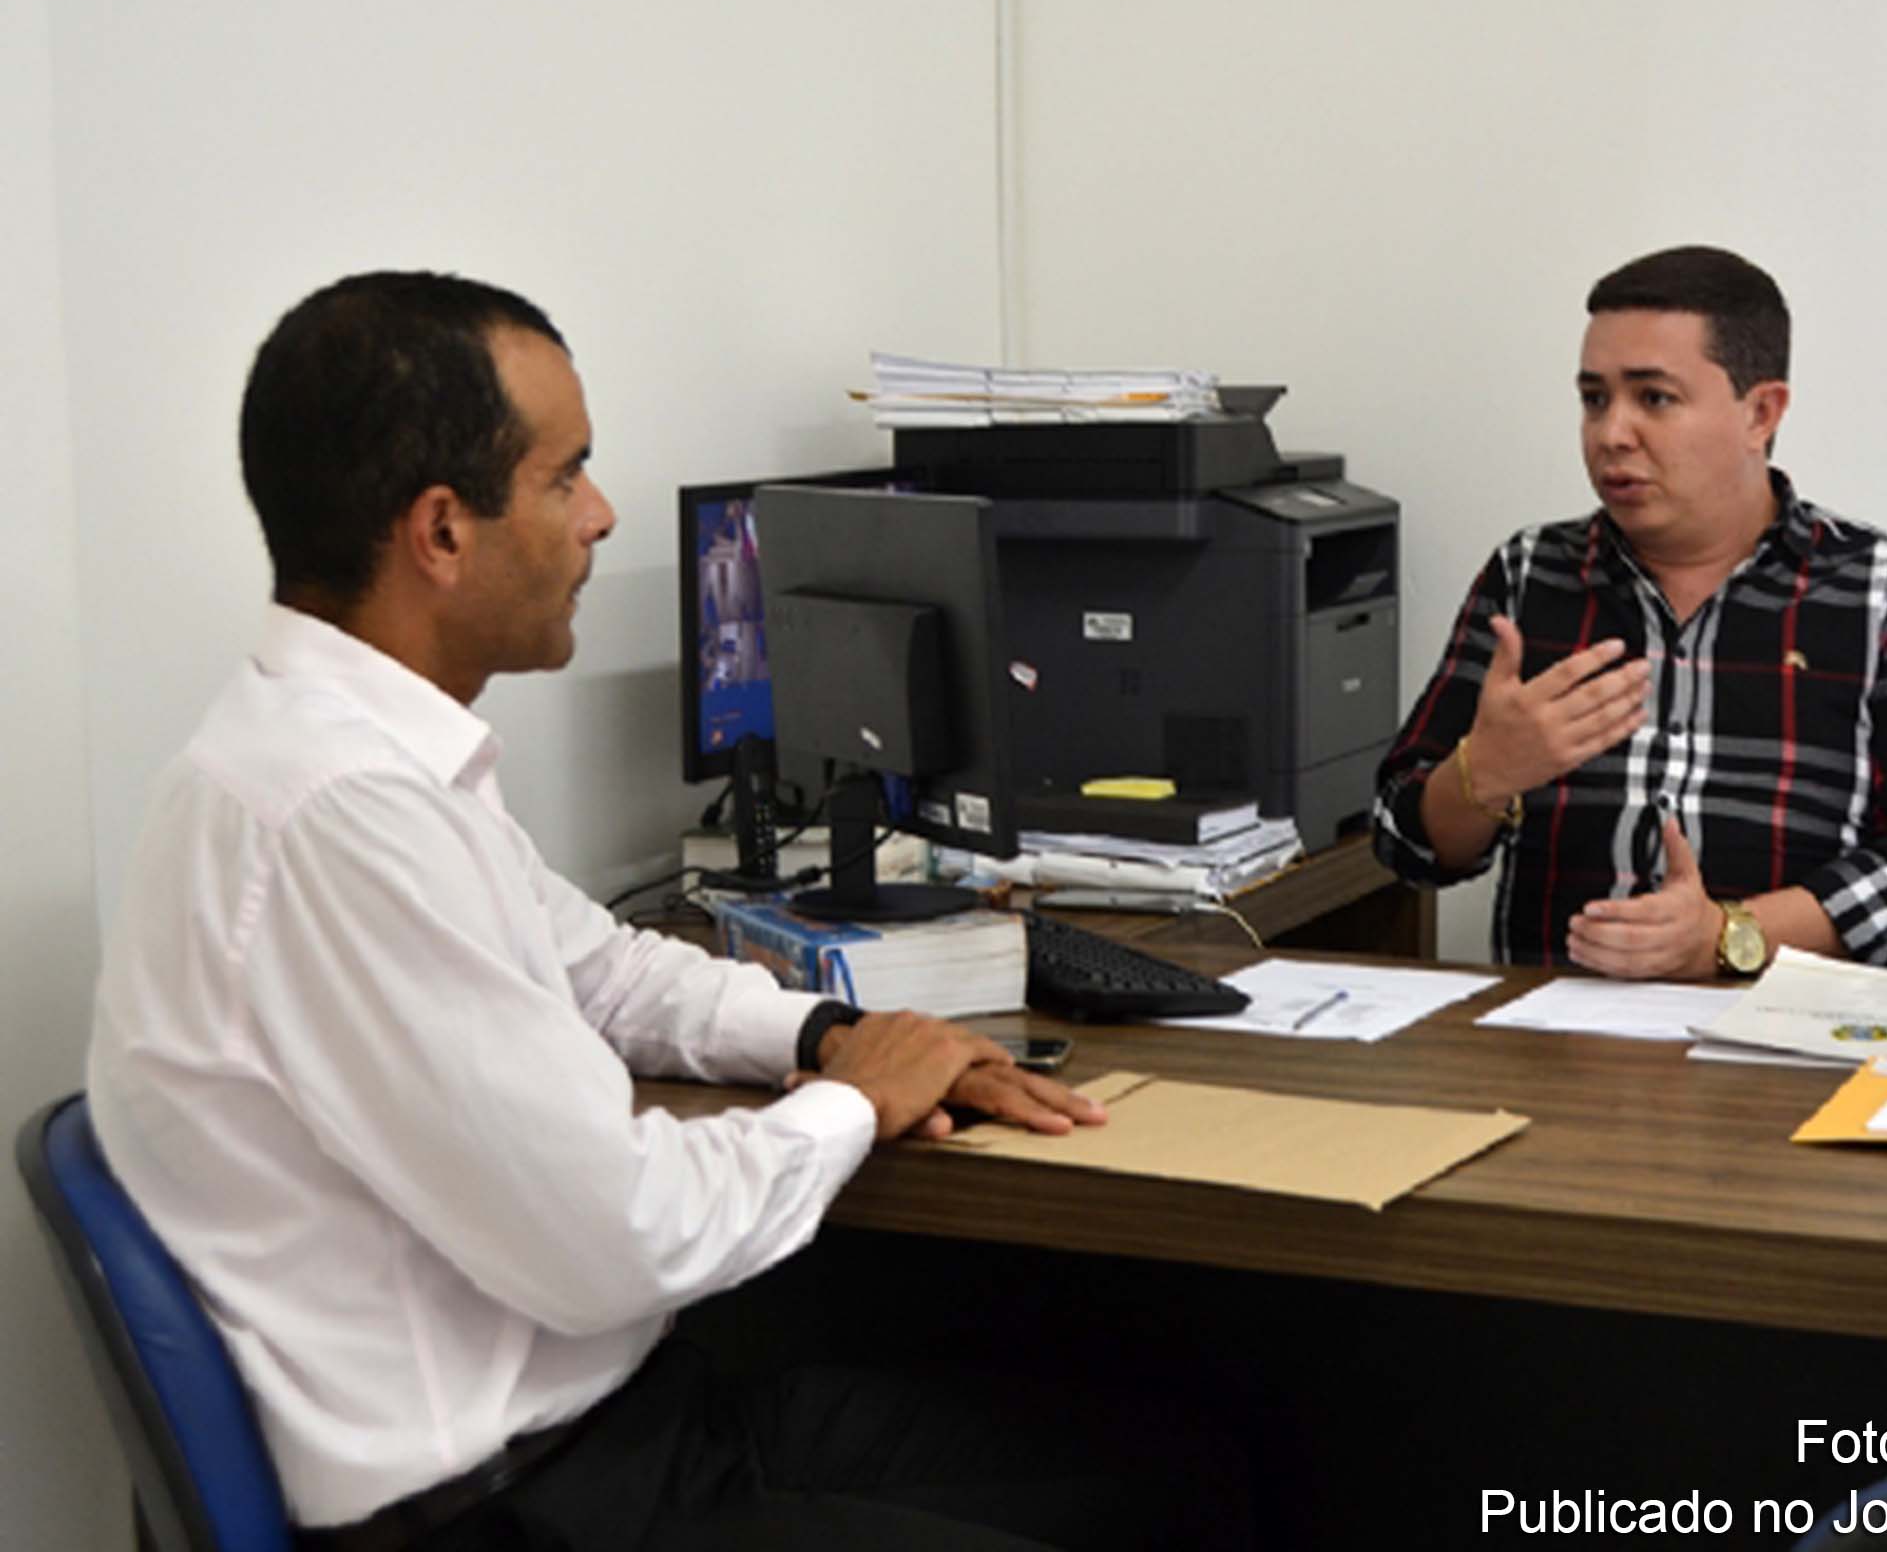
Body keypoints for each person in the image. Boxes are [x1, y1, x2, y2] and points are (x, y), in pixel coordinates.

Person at [85, 272, 1246, 1551]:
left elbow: (613, 976)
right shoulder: (337, 814)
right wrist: (855, 1103)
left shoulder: (365, 762)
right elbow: (617, 1233)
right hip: (509, 1508)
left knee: (1173, 1462)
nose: (600, 515)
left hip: (629, 1428)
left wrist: (824, 1036)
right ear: (441, 531)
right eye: (563, 476)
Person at [1371, 246, 1887, 978]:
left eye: (1654, 398)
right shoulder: (1530, 576)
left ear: (1761, 412)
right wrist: (1485, 776)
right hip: (1549, 1049)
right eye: (1594, 398)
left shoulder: (1886, 589)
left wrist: (1732, 935)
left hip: (1797, 1047)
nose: (1611, 433)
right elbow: (1402, 839)